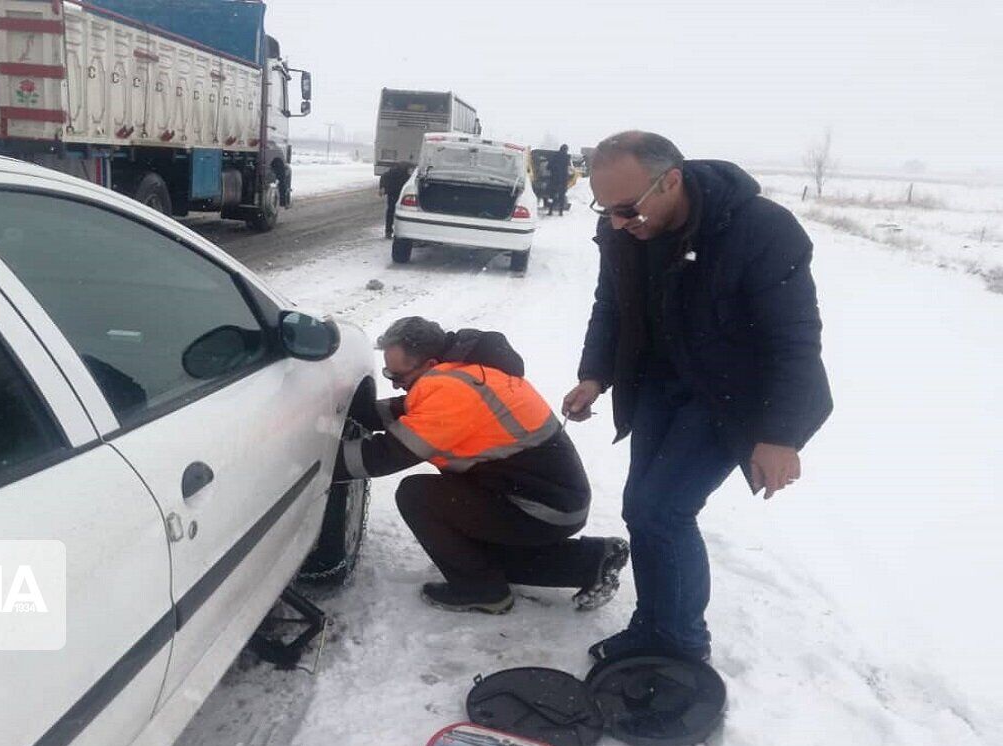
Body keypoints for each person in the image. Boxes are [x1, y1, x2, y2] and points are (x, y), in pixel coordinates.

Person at [562, 131, 833, 662]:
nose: (616, 222)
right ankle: (653, 624)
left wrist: (781, 436)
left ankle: (681, 646)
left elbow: (795, 339)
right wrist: (595, 374)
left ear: (672, 182)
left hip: (733, 393)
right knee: (641, 509)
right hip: (661, 384)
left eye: (626, 208)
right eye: (604, 209)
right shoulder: (624, 226)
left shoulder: (760, 230)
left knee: (663, 510)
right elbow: (612, 305)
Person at [337, 316, 629, 614]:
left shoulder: (452, 391)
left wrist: (316, 462)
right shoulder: (464, 373)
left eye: (397, 376)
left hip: (541, 510)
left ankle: (480, 590)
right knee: (481, 557)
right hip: (548, 499)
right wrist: (356, 413)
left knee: (417, 496)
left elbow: (385, 455)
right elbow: (410, 410)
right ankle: (594, 560)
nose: (395, 384)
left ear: (429, 364)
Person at [379, 162, 414, 238]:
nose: (411, 172)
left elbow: (383, 177)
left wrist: (382, 187)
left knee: (391, 212)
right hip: (398, 193)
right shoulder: (405, 174)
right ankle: (399, 231)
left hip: (392, 193)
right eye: (410, 170)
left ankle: (388, 231)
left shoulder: (394, 172)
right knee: (403, 212)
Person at [548, 144, 572, 215]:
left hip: (554, 180)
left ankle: (550, 210)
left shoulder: (555, 156)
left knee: (552, 196)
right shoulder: (567, 157)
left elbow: (548, 167)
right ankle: (560, 212)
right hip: (563, 180)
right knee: (562, 196)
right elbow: (568, 169)